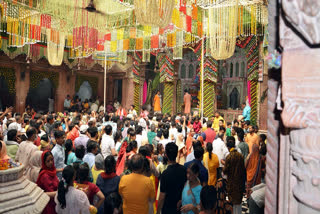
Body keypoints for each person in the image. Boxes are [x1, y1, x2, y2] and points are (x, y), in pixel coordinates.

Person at [157, 143, 187, 214]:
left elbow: (162, 196)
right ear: (177, 154)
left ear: (166, 155)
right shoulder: (184, 170)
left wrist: (158, 211)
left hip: (168, 208)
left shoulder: (165, 174)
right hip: (180, 207)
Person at [223, 136, 246, 214]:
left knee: (232, 202)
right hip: (240, 182)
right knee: (238, 202)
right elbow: (243, 170)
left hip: (231, 183)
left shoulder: (229, 157)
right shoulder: (241, 156)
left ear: (229, 147)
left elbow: (225, 170)